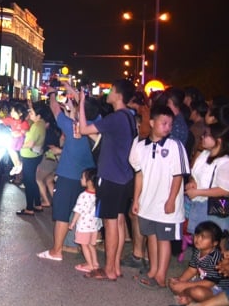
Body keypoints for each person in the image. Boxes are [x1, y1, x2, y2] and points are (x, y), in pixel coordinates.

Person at [78, 79, 137, 281]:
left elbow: (84, 129)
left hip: (111, 177)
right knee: (119, 222)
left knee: (110, 224)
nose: (108, 93)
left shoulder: (116, 118)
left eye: (111, 90)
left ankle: (110, 269)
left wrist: (81, 104)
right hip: (124, 177)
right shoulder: (129, 116)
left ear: (119, 96)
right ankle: (116, 266)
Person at [37, 84, 99, 263]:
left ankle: (56, 251)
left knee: (62, 215)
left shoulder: (74, 127)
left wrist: (52, 94)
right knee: (82, 214)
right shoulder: (96, 128)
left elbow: (55, 109)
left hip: (68, 178)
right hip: (87, 179)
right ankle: (77, 245)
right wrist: (77, 97)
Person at [130, 104, 189, 288]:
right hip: (148, 202)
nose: (167, 127)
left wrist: (171, 200)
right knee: (152, 237)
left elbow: (178, 175)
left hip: (165, 204)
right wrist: (136, 199)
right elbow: (139, 175)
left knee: (164, 239)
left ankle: (161, 276)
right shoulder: (141, 146)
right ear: (152, 122)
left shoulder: (174, 146)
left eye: (170, 124)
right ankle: (153, 271)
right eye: (164, 123)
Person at [168, 221, 228, 306]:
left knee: (197, 293)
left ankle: (188, 296)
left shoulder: (216, 258)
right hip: (201, 280)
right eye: (196, 235)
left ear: (215, 243)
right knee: (173, 282)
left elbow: (209, 283)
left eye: (203, 237)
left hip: (216, 288)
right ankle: (187, 296)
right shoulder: (198, 251)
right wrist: (180, 281)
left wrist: (184, 285)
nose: (197, 239)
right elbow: (191, 270)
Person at [185, 123, 229, 235]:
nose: (202, 137)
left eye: (206, 135)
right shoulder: (204, 154)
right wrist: (192, 182)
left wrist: (198, 192)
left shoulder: (225, 162)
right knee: (198, 241)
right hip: (197, 204)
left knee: (209, 242)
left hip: (213, 208)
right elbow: (193, 174)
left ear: (218, 141)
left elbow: (225, 190)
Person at [15, 101, 46, 216]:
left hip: (30, 156)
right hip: (35, 156)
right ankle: (37, 204)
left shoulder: (36, 126)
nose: (30, 114)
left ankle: (29, 208)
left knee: (29, 182)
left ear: (39, 115)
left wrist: (17, 145)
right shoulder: (41, 123)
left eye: (32, 112)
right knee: (32, 181)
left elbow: (30, 144)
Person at [69, 167, 101, 273]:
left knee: (84, 245)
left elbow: (78, 211)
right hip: (94, 226)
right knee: (92, 245)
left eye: (82, 178)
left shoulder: (83, 196)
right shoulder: (98, 195)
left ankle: (90, 265)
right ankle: (95, 263)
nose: (80, 179)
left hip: (84, 226)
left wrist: (73, 223)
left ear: (89, 181)